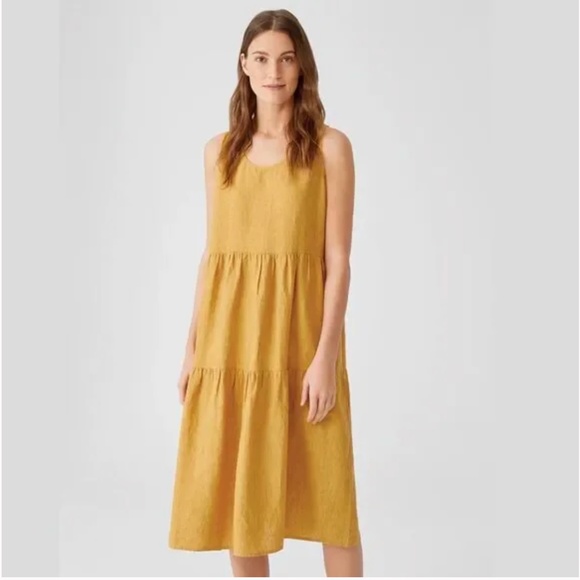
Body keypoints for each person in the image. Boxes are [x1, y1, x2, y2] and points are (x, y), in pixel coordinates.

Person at [168, 9, 364, 577]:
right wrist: (192, 348)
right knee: (241, 498)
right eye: (261, 59)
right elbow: (214, 257)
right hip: (230, 344)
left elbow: (338, 261)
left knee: (332, 500)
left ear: (301, 66)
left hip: (302, 343)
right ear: (244, 66)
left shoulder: (329, 148)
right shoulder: (219, 151)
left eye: (285, 59)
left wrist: (325, 357)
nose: (273, 72)